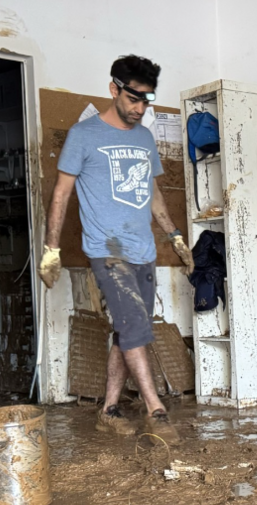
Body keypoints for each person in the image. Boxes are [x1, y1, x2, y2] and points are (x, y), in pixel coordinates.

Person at [38, 55, 194, 445]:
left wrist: (174, 235)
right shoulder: (84, 135)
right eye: (134, 98)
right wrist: (51, 249)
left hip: (143, 250)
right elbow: (61, 194)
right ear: (114, 89)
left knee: (127, 330)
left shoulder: (143, 137)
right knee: (136, 329)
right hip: (106, 250)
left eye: (147, 100)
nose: (140, 108)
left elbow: (153, 192)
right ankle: (156, 410)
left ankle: (108, 409)